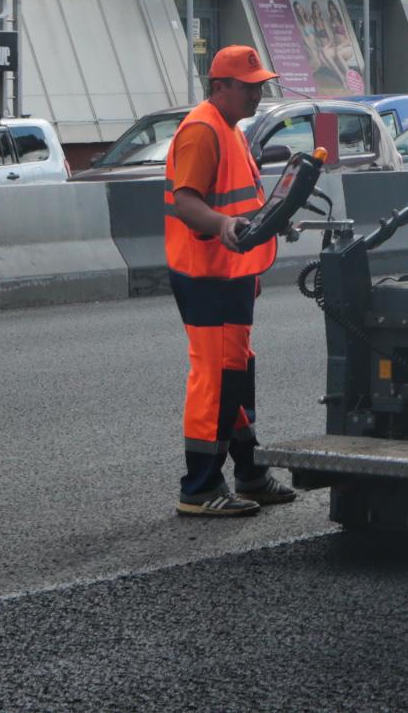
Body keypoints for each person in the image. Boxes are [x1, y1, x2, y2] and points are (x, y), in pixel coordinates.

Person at [163, 45, 299, 517]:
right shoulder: (203, 130)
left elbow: (241, 200)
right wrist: (222, 226)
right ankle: (199, 486)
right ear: (219, 85)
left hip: (232, 271)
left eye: (260, 85)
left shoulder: (230, 127)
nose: (258, 94)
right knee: (217, 376)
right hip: (208, 273)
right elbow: (186, 201)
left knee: (236, 371)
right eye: (249, 86)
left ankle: (250, 472)